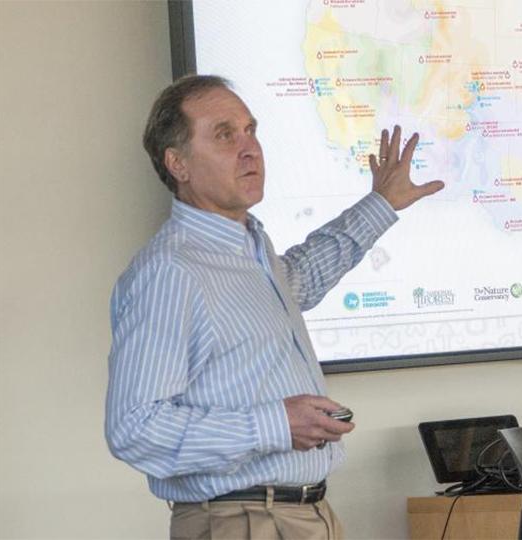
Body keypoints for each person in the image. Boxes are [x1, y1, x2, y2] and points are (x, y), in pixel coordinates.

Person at [105, 74, 443, 539]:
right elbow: (135, 428)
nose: (250, 149)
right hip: (244, 521)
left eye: (251, 130)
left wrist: (381, 202)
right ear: (177, 163)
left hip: (302, 514)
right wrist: (277, 424)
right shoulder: (171, 271)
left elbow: (301, 276)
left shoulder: (249, 247)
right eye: (225, 135)